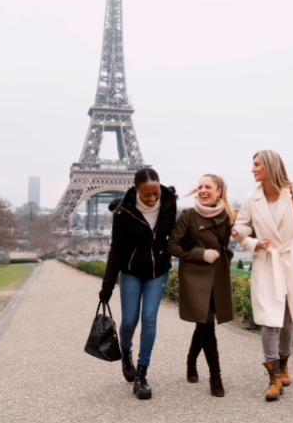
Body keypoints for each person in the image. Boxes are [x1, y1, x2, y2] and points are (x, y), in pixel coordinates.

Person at [231, 150, 293, 401]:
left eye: (257, 164)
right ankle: (273, 377)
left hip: (290, 260)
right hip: (266, 261)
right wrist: (250, 242)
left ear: (269, 166)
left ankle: (283, 364)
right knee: (268, 319)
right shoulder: (251, 198)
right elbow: (242, 227)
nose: (253, 169)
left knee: (288, 318)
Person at [99, 168, 177, 400]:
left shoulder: (169, 203)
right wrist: (107, 286)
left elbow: (176, 235)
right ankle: (126, 353)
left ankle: (142, 374)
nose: (152, 199)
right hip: (131, 271)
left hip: (158, 271)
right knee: (130, 321)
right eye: (146, 195)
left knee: (150, 319)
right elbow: (116, 251)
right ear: (135, 190)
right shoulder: (123, 212)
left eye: (156, 193)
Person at [169, 174, 236, 397]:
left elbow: (248, 232)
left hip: (217, 275)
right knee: (207, 322)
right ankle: (216, 377)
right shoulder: (188, 215)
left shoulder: (229, 215)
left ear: (219, 191)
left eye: (208, 187)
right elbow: (173, 246)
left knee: (203, 322)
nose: (203, 190)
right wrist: (201, 254)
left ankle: (191, 360)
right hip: (194, 276)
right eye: (200, 187)